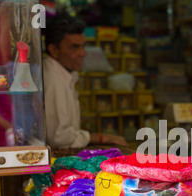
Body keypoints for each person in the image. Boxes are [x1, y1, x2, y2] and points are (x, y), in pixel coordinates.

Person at [43, 13, 128, 148]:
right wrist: (102, 138)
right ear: (54, 50)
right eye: (74, 47)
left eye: (83, 46)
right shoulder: (53, 79)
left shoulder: (65, 75)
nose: (83, 53)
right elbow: (59, 137)